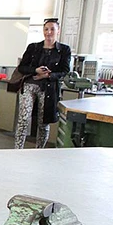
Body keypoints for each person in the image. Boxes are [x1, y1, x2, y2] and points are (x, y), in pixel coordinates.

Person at [13, 18, 71, 149]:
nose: (49, 32)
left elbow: (65, 70)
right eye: (46, 29)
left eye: (52, 29)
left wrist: (49, 75)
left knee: (43, 122)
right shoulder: (33, 47)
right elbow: (22, 67)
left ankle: (39, 151)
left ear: (58, 31)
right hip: (29, 85)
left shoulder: (64, 50)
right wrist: (35, 70)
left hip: (48, 88)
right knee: (23, 118)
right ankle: (17, 150)